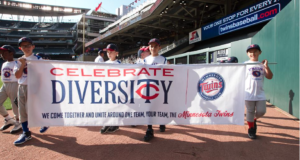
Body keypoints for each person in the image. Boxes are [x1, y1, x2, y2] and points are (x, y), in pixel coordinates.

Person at [13, 37, 50, 145]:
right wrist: (23, 64)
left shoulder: (38, 59)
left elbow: (44, 74)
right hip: (21, 86)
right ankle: (26, 133)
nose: (27, 47)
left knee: (32, 110)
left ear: (33, 46)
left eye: (28, 45)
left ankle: (44, 121)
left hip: (33, 86)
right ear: (20, 48)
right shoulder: (19, 60)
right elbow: (18, 76)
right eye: (24, 46)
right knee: (22, 111)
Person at [244, 44, 273, 139]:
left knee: (261, 111)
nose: (253, 53)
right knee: (250, 111)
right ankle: (251, 129)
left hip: (260, 93)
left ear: (260, 52)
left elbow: (269, 77)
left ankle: (253, 119)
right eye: (250, 51)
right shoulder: (244, 65)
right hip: (248, 93)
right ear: (247, 54)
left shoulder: (262, 65)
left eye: (255, 51)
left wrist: (266, 67)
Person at [143, 38, 167, 142]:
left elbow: (168, 71)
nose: (153, 48)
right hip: (149, 87)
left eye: (155, 46)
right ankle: (149, 129)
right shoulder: (145, 60)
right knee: (149, 107)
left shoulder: (163, 59)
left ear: (159, 47)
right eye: (151, 46)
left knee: (160, 106)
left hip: (160, 86)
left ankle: (161, 122)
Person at [0, 45, 22, 134]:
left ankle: (18, 122)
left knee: (14, 104)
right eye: (1, 53)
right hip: (5, 85)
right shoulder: (4, 63)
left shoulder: (17, 63)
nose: (2, 54)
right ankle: (8, 119)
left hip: (14, 84)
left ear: (11, 53)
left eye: (4, 52)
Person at [100, 44, 121, 134]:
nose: (109, 53)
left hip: (116, 89)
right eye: (108, 52)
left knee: (115, 107)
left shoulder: (119, 64)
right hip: (106, 88)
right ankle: (108, 123)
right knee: (107, 106)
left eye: (111, 52)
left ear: (116, 53)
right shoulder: (105, 63)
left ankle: (114, 124)